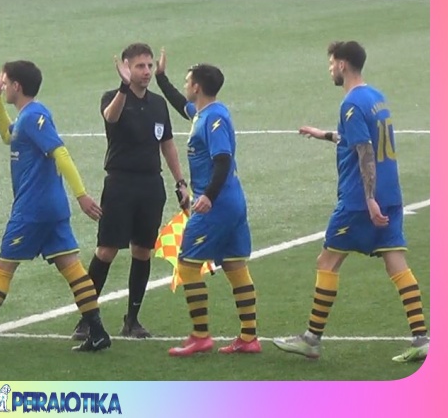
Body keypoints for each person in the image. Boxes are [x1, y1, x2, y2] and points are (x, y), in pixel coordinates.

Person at [273, 41, 429, 363]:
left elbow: (365, 151)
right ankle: (421, 337)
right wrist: (323, 135)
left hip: (359, 202)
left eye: (332, 63)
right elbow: (357, 139)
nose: (330, 68)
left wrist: (369, 198)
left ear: (343, 65)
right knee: (396, 263)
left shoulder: (351, 103)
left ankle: (311, 340)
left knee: (327, 262)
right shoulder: (375, 97)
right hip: (391, 195)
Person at [0, 61, 110, 352]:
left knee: (3, 268)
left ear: (17, 86)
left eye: (5, 82)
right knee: (71, 267)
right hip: (53, 207)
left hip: (33, 210)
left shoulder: (33, 116)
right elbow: (7, 135)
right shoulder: (28, 117)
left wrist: (82, 195)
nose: (3, 84)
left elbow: (61, 153)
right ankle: (97, 332)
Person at [71, 43, 189, 341]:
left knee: (143, 250)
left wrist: (180, 181)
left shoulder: (158, 104)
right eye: (140, 66)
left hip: (151, 185)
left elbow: (167, 144)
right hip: (120, 184)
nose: (146, 71)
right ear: (126, 68)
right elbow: (110, 117)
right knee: (106, 250)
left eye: (149, 65)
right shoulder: (113, 97)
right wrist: (124, 88)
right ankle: (86, 318)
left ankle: (132, 319)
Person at [152, 54, 259, 356]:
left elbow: (222, 160)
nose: (185, 86)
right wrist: (161, 78)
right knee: (235, 265)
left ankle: (200, 336)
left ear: (197, 87)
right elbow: (180, 104)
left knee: (187, 265)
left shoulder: (213, 119)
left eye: (187, 81)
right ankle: (249, 338)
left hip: (216, 205)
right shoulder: (205, 113)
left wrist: (208, 196)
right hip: (232, 202)